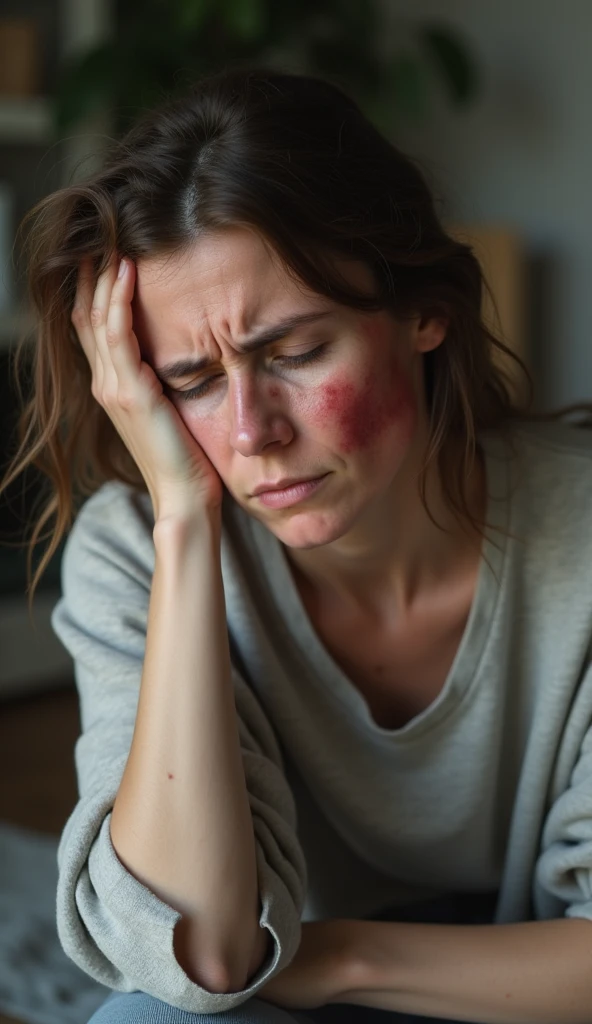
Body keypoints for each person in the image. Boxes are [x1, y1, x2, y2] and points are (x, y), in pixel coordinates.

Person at [4, 64, 592, 1024]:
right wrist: (186, 529)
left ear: (423, 314)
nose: (250, 431)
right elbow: (198, 953)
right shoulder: (138, 546)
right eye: (191, 379)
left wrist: (345, 958)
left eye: (296, 352)